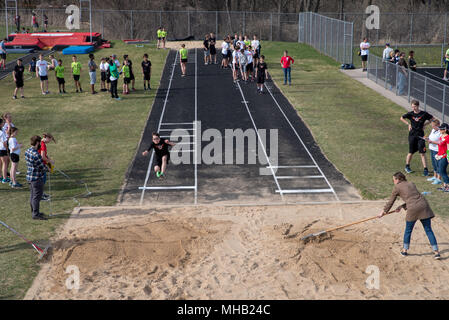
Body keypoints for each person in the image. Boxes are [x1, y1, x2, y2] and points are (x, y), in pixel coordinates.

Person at [379, 172, 441, 259]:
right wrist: (402, 206)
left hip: (413, 209)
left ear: (398, 179)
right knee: (428, 230)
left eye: (394, 180)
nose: (393, 181)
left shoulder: (397, 187)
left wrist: (383, 212)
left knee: (408, 230)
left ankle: (404, 251)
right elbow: (414, 198)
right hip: (423, 206)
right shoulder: (411, 183)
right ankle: (436, 252)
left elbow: (391, 201)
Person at [400, 100, 434, 176]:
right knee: (411, 152)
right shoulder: (410, 114)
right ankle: (407, 166)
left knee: (422, 153)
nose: (413, 108)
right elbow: (401, 118)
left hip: (421, 136)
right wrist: (408, 124)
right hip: (412, 135)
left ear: (418, 106)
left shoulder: (424, 114)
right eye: (412, 106)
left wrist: (425, 124)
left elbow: (432, 119)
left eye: (414, 106)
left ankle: (425, 169)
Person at [25, 135, 49, 220]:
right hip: (37, 178)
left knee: (32, 196)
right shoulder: (36, 155)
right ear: (37, 143)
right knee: (37, 197)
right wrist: (48, 168)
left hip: (29, 177)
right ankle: (35, 214)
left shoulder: (27, 151)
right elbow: (42, 167)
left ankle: (34, 212)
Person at [425, 123, 449, 192]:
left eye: (441, 129)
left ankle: (448, 186)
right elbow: (439, 144)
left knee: (442, 171)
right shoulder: (441, 136)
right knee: (441, 171)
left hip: (444, 156)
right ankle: (445, 186)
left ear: (445, 130)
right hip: (440, 155)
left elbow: (448, 148)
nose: (440, 130)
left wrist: (448, 157)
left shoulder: (448, 137)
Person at [38, 133, 56, 201]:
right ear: (47, 138)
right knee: (42, 180)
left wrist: (48, 158)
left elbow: (44, 154)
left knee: (42, 179)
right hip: (41, 164)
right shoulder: (43, 144)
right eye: (50, 140)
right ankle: (40, 196)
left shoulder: (41, 143)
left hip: (41, 163)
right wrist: (50, 162)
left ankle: (41, 193)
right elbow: (42, 157)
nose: (49, 142)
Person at [425, 119, 442, 185]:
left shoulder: (440, 132)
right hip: (432, 148)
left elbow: (440, 142)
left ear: (438, 125)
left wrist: (432, 141)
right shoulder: (433, 130)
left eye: (434, 126)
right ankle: (435, 176)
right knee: (434, 163)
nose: (432, 127)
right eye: (432, 125)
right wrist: (427, 138)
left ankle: (438, 179)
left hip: (437, 150)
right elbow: (430, 137)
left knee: (438, 164)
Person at [0, 118, 9, 184]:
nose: (4, 123)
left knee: (0, 163)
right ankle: (4, 178)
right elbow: (4, 142)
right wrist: (7, 149)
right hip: (2, 149)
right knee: (5, 164)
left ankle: (0, 177)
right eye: (2, 123)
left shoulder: (2, 130)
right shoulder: (1, 132)